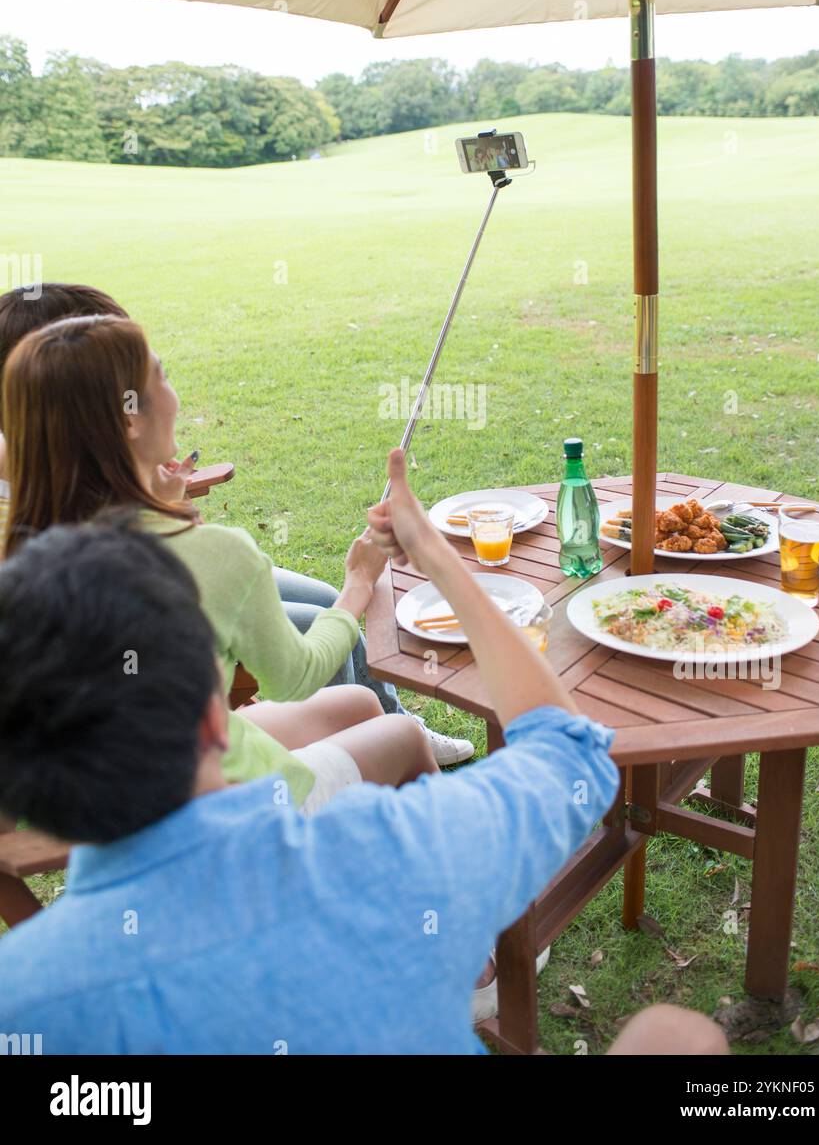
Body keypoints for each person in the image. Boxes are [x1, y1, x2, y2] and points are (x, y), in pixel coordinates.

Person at [0, 449, 728, 1055]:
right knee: (675, 1036)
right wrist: (439, 559)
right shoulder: (394, 850)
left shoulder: (23, 997)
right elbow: (571, 754)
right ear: (217, 717)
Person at [0, 283, 471, 764]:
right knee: (387, 723)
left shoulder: (31, 548)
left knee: (361, 699)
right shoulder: (210, 552)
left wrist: (156, 498)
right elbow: (295, 676)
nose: (174, 392)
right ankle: (331, 801)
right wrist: (359, 580)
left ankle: (382, 725)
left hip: (130, 777)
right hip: (200, 787)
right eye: (157, 374)